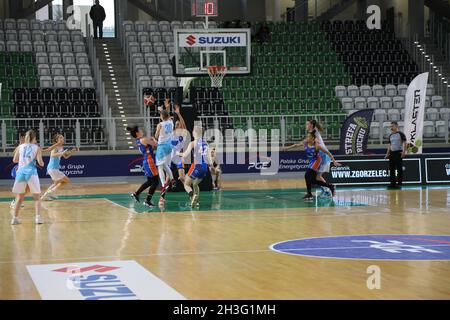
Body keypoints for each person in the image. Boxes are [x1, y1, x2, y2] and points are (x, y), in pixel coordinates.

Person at [11, 130, 45, 225]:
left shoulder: (20, 146)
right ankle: (38, 218)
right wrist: (41, 162)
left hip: (21, 173)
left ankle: (14, 218)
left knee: (19, 197)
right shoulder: (37, 148)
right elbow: (40, 163)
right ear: (34, 138)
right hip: (31, 173)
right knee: (37, 197)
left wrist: (23, 160)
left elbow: (14, 160)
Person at [177, 126, 212, 207]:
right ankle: (196, 202)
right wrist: (211, 166)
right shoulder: (206, 143)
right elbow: (209, 159)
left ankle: (192, 196)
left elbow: (185, 155)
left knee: (186, 184)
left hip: (197, 166)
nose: (192, 132)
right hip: (204, 167)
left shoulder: (193, 143)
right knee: (195, 184)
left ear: (195, 132)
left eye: (193, 131)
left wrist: (178, 153)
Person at [303, 132, 341, 200]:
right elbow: (296, 145)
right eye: (307, 136)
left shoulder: (317, 145)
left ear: (313, 138)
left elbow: (327, 152)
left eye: (309, 137)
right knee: (313, 180)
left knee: (307, 175)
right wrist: (287, 148)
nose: (307, 138)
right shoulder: (307, 143)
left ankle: (310, 193)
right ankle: (330, 186)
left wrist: (334, 161)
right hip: (314, 162)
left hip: (319, 162)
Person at [128, 126, 160, 207]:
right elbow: (157, 144)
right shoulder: (144, 139)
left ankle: (136, 193)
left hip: (147, 161)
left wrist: (151, 141)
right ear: (137, 133)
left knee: (150, 181)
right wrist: (154, 139)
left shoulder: (139, 141)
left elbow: (150, 148)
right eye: (140, 130)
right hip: (150, 162)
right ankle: (147, 200)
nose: (142, 130)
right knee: (155, 182)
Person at [41, 134, 77, 201]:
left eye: (62, 137)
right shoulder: (56, 147)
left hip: (53, 168)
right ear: (57, 140)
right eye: (60, 138)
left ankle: (44, 196)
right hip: (52, 168)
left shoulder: (61, 148)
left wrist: (73, 151)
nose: (62, 139)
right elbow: (53, 155)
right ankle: (52, 192)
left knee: (56, 183)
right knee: (67, 181)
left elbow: (65, 157)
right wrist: (62, 153)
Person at [155, 108, 176, 206]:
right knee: (165, 165)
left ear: (161, 116)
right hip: (169, 146)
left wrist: (157, 130)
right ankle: (172, 179)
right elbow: (166, 115)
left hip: (162, 146)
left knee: (160, 167)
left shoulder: (160, 125)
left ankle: (163, 184)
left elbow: (156, 136)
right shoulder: (171, 122)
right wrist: (162, 110)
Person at [169, 102, 188, 185]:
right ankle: (162, 196)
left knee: (182, 177)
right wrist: (167, 108)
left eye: (178, 124)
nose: (176, 125)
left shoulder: (183, 134)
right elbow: (167, 121)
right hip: (169, 157)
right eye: (175, 124)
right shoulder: (171, 133)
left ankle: (190, 191)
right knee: (167, 179)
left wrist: (178, 113)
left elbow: (184, 125)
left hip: (178, 159)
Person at [384, 121, 407, 188]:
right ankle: (392, 184)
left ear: (397, 126)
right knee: (391, 169)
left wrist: (404, 152)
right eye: (390, 126)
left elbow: (405, 143)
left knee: (399, 169)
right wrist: (387, 154)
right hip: (392, 153)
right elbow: (389, 145)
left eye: (392, 126)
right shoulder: (390, 135)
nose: (391, 127)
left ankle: (399, 183)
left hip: (398, 153)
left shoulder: (401, 134)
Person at [10, 133, 26, 209]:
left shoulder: (26, 147)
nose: (23, 139)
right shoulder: (19, 147)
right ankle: (14, 202)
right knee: (19, 186)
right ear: (20, 139)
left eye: (24, 138)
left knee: (23, 187)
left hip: (24, 169)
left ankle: (18, 201)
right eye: (22, 138)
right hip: (18, 169)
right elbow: (14, 159)